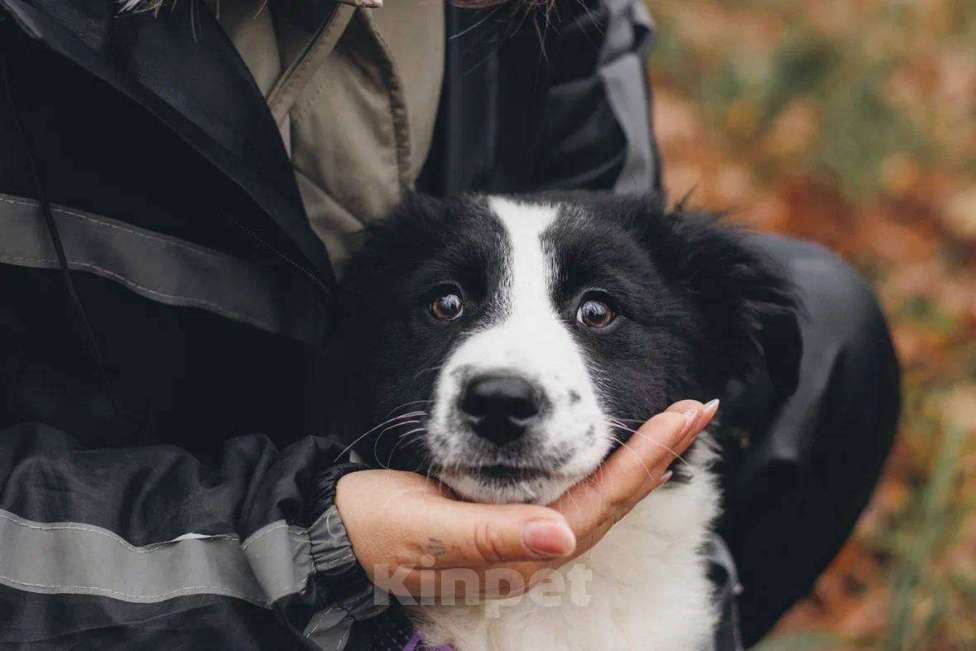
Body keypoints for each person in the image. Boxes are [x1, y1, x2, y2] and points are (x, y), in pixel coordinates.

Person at [0, 0, 900, 649]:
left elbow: (616, 224)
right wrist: (320, 547)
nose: (506, 370)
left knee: (830, 326)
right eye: (450, 305)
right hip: (137, 527)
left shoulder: (554, 20)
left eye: (593, 313)